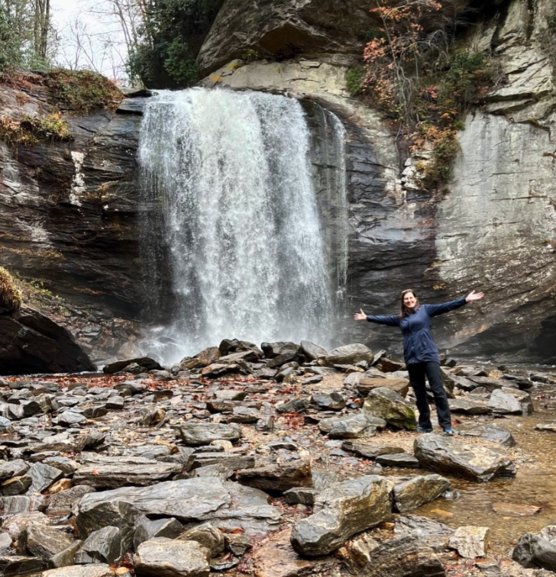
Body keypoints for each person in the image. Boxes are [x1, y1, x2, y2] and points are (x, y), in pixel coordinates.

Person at [354, 289, 484, 435]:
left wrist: (464, 300)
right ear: (403, 302)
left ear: (415, 298)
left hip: (428, 355)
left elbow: (446, 306)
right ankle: (425, 424)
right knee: (419, 392)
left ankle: (446, 424)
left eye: (411, 298)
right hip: (412, 358)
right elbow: (385, 319)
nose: (409, 300)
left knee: (438, 390)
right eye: (406, 299)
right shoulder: (401, 318)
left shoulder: (426, 310)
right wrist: (367, 317)